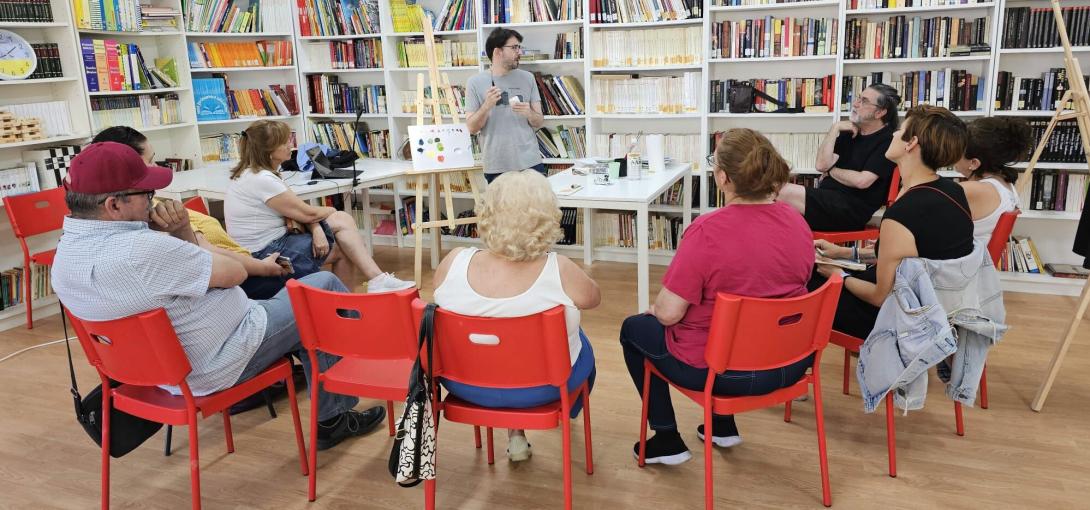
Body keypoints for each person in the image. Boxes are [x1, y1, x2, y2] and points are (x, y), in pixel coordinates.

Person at [51, 141, 387, 451]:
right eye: (147, 193)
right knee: (322, 287)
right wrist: (182, 232)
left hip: (154, 374)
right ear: (114, 206)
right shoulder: (146, 249)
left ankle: (340, 392)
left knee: (305, 309)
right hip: (220, 360)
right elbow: (236, 274)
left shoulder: (63, 259)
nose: (154, 200)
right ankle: (340, 409)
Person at [619, 129, 816, 465]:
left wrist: (657, 309)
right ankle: (721, 426)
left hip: (722, 373)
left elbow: (668, 314)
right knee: (744, 317)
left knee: (635, 329)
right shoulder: (797, 222)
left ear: (723, 178)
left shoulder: (706, 231)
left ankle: (666, 438)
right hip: (790, 363)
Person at [431, 170, 600, 462]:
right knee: (579, 340)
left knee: (496, 343)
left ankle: (515, 432)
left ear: (487, 212)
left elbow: (441, 299)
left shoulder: (453, 261)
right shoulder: (558, 268)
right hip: (542, 389)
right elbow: (593, 299)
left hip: (462, 384)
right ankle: (564, 410)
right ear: (548, 215)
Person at [811, 105, 973, 340]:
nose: (894, 134)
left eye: (900, 130)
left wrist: (839, 276)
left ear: (911, 143)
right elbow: (905, 255)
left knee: (806, 286)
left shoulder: (903, 213)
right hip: (937, 308)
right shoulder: (953, 190)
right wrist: (843, 253)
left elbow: (879, 295)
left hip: (901, 319)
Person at [90, 126, 289, 300]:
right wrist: (263, 267)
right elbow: (230, 271)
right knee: (309, 283)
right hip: (237, 274)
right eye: (150, 161)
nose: (156, 168)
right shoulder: (156, 216)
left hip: (237, 267)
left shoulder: (151, 212)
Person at [224, 120, 412, 293]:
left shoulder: (252, 174)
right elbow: (306, 213)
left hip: (270, 244)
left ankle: (364, 290)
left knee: (344, 241)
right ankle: (363, 291)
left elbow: (297, 214)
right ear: (269, 151)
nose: (291, 145)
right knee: (342, 228)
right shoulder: (263, 179)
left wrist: (316, 228)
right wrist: (330, 211)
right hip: (265, 253)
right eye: (285, 142)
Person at [778, 83, 902, 232]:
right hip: (827, 200)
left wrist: (831, 171)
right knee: (771, 205)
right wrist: (835, 128)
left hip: (850, 210)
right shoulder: (849, 132)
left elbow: (862, 181)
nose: (855, 104)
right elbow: (821, 165)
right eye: (858, 98)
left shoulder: (888, 141)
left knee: (780, 192)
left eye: (864, 101)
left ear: (880, 113)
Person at [466, 27, 545, 183]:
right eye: (514, 47)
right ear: (497, 52)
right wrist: (486, 106)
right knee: (501, 208)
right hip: (496, 165)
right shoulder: (474, 83)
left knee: (535, 207)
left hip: (530, 163)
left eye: (519, 47)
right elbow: (472, 128)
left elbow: (538, 121)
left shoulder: (528, 78)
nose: (519, 52)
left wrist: (529, 113)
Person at [954, 117, 1033, 243]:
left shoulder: (974, 189)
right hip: (979, 258)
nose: (952, 152)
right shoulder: (1004, 183)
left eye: (957, 149)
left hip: (966, 259)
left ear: (974, 163)